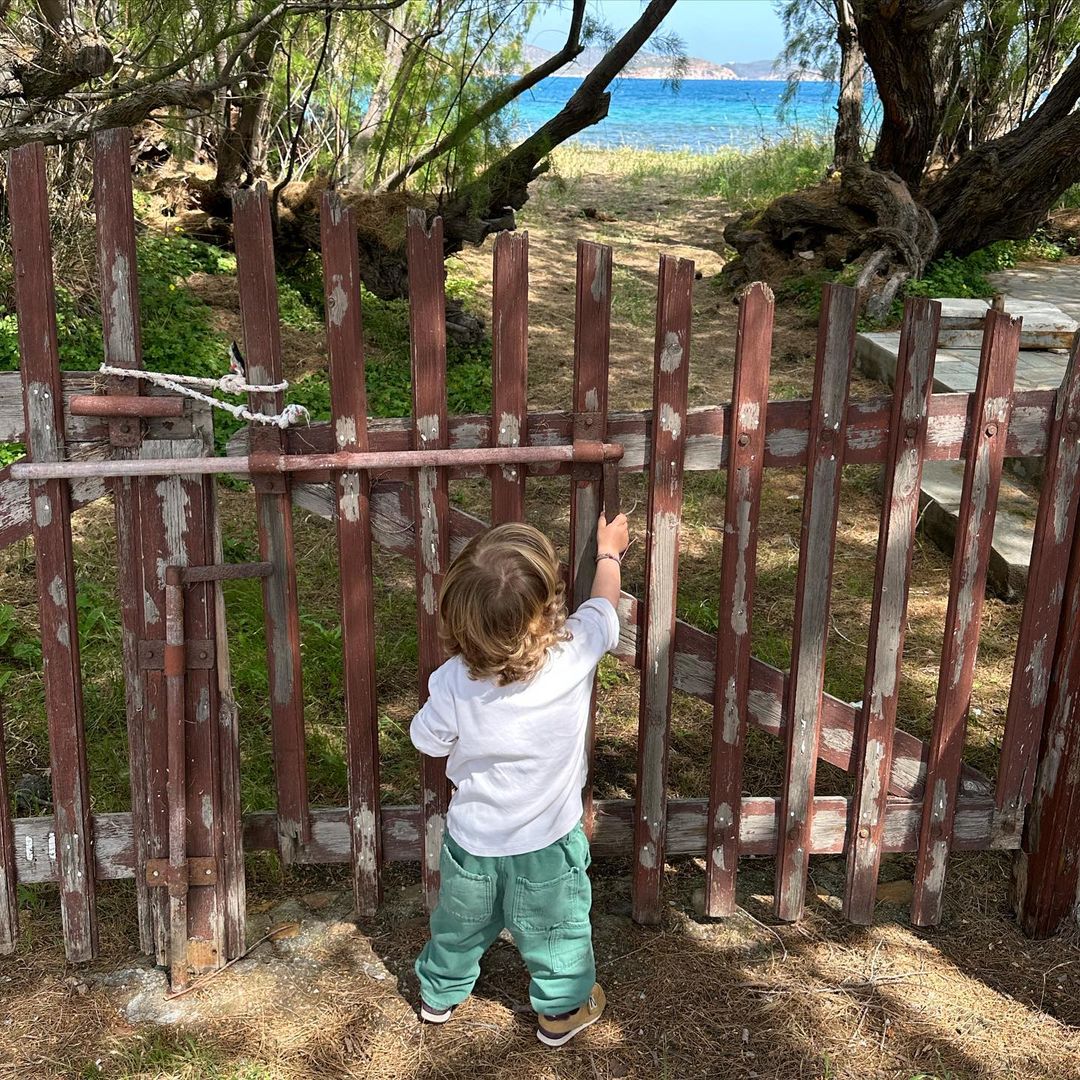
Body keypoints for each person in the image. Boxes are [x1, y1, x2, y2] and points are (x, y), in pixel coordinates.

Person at [410, 513, 629, 1047]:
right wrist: (609, 554)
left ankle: (438, 994)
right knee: (557, 934)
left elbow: (427, 741)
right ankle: (560, 1012)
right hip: (548, 844)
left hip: (473, 842)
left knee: (459, 925)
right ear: (546, 610)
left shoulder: (453, 681)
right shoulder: (575, 650)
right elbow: (604, 605)